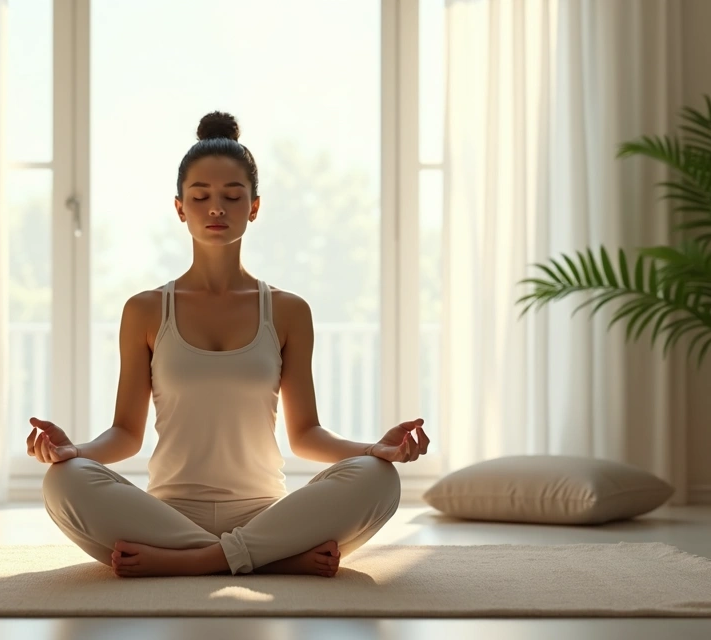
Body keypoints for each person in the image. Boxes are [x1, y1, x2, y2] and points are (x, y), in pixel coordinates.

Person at [28, 111, 430, 579]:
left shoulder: (288, 311)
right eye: (200, 196)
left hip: (264, 514)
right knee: (63, 483)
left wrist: (375, 449)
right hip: (167, 518)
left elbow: (305, 436)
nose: (216, 207)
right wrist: (72, 453)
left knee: (377, 479)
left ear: (254, 207)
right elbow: (125, 434)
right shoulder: (144, 310)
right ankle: (272, 560)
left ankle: (201, 561)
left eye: (232, 196)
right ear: (180, 208)